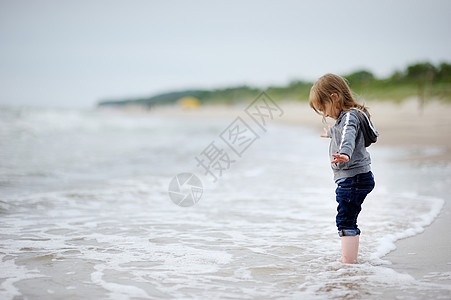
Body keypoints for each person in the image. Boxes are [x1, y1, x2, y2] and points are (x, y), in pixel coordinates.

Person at [309, 73, 379, 264]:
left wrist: (345, 153)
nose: (325, 115)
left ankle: (349, 264)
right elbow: (340, 128)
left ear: (334, 97)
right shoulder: (350, 116)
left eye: (323, 108)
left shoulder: (349, 117)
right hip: (356, 178)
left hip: (353, 178)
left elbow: (348, 133)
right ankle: (350, 260)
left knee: (346, 221)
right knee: (348, 218)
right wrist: (330, 133)